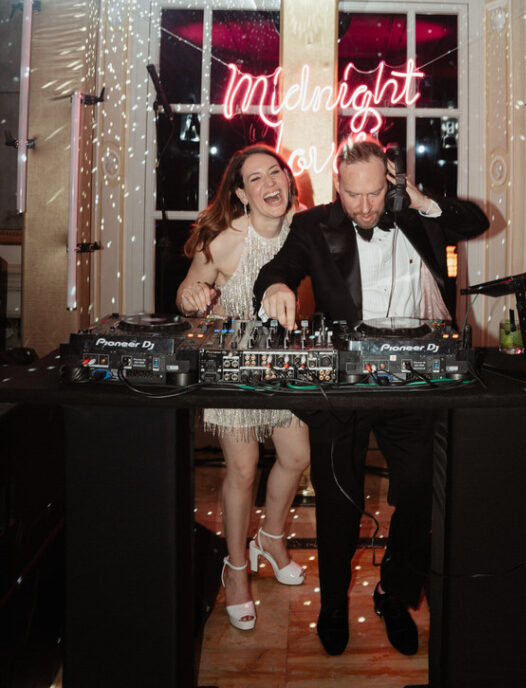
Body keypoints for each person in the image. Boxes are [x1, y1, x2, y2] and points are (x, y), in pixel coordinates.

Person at [253, 137, 489, 656]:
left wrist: (421, 201)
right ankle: (333, 605)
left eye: (375, 194)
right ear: (337, 186)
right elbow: (278, 269)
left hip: (412, 382)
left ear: (391, 184)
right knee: (339, 503)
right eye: (352, 195)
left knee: (419, 493)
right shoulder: (313, 225)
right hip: (345, 387)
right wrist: (275, 288)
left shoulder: (417, 216)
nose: (363, 207)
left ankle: (396, 595)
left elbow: (475, 222)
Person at [176, 145, 310, 632]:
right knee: (244, 467)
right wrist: (193, 296)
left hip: (284, 363)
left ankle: (270, 539)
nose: (270, 182)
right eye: (256, 178)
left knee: (297, 456)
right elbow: (186, 295)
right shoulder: (224, 240)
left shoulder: (305, 228)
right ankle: (235, 568)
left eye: (276, 172)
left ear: (288, 181)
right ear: (241, 194)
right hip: (230, 363)